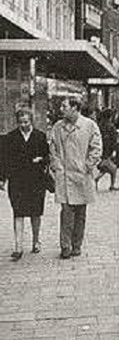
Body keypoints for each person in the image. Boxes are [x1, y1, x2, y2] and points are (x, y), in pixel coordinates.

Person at [49, 98, 103, 260]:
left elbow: (97, 147)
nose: (61, 109)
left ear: (75, 108)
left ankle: (77, 245)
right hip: (64, 176)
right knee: (66, 212)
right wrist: (57, 167)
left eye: (64, 106)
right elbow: (52, 149)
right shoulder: (58, 127)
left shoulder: (89, 125)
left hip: (82, 176)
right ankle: (65, 246)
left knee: (80, 213)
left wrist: (87, 165)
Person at [0, 107, 50, 260]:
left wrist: (41, 160)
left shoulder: (40, 137)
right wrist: (2, 178)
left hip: (36, 181)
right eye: (21, 122)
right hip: (17, 181)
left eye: (26, 122)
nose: (23, 125)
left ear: (31, 120)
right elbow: (3, 160)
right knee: (18, 212)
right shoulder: (10, 138)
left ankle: (36, 241)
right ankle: (18, 246)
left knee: (36, 212)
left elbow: (48, 156)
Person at [96, 108, 119, 191]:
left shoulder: (100, 125)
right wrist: (115, 150)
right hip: (109, 150)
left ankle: (98, 179)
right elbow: (114, 139)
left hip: (102, 149)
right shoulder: (111, 126)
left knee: (106, 167)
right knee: (112, 168)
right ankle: (111, 184)